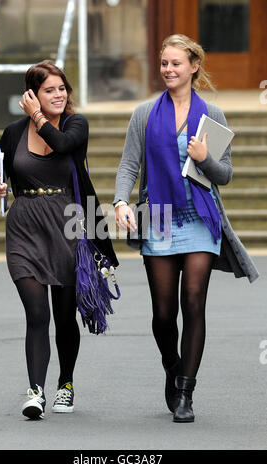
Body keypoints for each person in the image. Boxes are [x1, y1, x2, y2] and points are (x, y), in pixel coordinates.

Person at [114, 34, 259, 423]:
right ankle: (172, 365)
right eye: (164, 63)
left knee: (193, 301)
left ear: (193, 67)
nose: (168, 70)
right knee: (163, 315)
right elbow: (129, 165)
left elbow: (223, 175)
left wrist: (205, 159)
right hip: (157, 218)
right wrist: (121, 202)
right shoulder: (144, 113)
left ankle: (185, 392)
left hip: (201, 218)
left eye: (176, 64)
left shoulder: (213, 116)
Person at [0, 60, 118, 420]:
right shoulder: (14, 131)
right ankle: (35, 392)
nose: (59, 95)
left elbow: (62, 146)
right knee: (37, 313)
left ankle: (65, 384)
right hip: (24, 226)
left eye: (62, 88)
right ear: (33, 94)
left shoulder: (77, 125)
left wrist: (39, 118)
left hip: (67, 224)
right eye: (50, 90)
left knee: (64, 317)